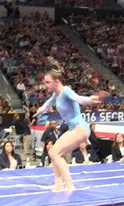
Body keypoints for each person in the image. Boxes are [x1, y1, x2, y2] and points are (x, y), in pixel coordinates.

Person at [34, 62, 107, 191]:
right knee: (52, 152)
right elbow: (48, 103)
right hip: (74, 128)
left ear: (56, 82)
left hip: (80, 128)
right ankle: (58, 185)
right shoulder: (55, 94)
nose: (45, 85)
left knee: (56, 154)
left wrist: (92, 99)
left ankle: (69, 185)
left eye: (47, 82)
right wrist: (40, 110)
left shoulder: (66, 91)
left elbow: (79, 99)